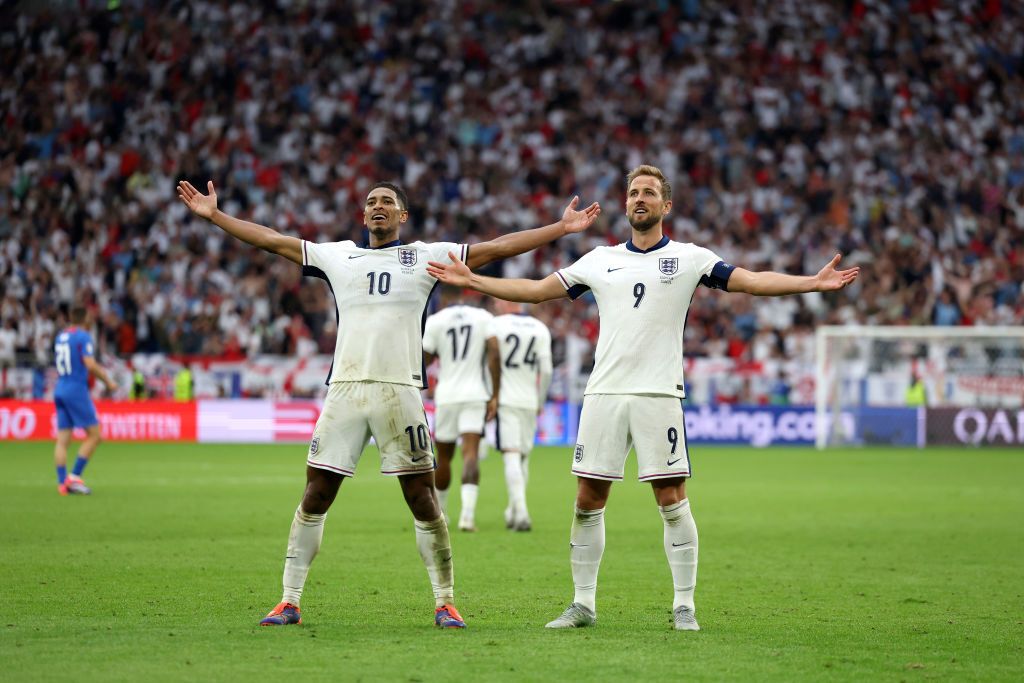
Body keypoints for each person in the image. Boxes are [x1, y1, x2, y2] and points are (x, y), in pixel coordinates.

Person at [427, 164, 859, 631]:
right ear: (625, 202)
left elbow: (751, 280)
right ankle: (583, 604)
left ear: (665, 205)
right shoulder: (599, 259)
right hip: (605, 393)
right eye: (633, 192)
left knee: (671, 498)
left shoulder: (691, 259)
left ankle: (684, 605)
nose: (640, 198)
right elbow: (536, 291)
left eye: (649, 193)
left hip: (658, 394)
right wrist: (474, 281)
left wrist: (810, 283)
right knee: (588, 498)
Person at [176, 178, 600, 629]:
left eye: (388, 203)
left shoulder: (425, 255)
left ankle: (445, 601)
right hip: (346, 389)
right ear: (363, 216)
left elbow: (494, 248)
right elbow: (272, 241)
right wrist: (217, 217)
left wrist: (559, 227)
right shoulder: (339, 255)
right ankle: (289, 600)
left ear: (402, 217)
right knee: (316, 493)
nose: (378, 207)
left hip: (400, 392)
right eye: (371, 202)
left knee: (421, 496)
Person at [422, 287, 500, 532]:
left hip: (447, 395)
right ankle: (467, 516)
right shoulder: (483, 318)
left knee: (443, 458)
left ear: (443, 298)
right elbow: (495, 355)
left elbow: (424, 360)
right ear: (464, 295)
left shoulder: (436, 321)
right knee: (470, 453)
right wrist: (495, 394)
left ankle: (441, 514)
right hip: (475, 394)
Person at [487, 299, 553, 531]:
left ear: (505, 302)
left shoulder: (495, 325)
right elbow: (546, 371)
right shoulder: (539, 327)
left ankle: (521, 511)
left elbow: (490, 361)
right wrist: (540, 400)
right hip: (529, 399)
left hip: (506, 398)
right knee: (523, 456)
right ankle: (514, 509)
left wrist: (490, 395)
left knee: (511, 455)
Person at [53, 306, 116, 496]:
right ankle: (74, 478)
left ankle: (62, 483)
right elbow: (89, 364)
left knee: (63, 439)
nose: (92, 318)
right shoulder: (83, 336)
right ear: (83, 318)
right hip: (75, 389)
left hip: (60, 387)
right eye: (90, 315)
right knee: (95, 435)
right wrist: (108, 381)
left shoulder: (61, 336)